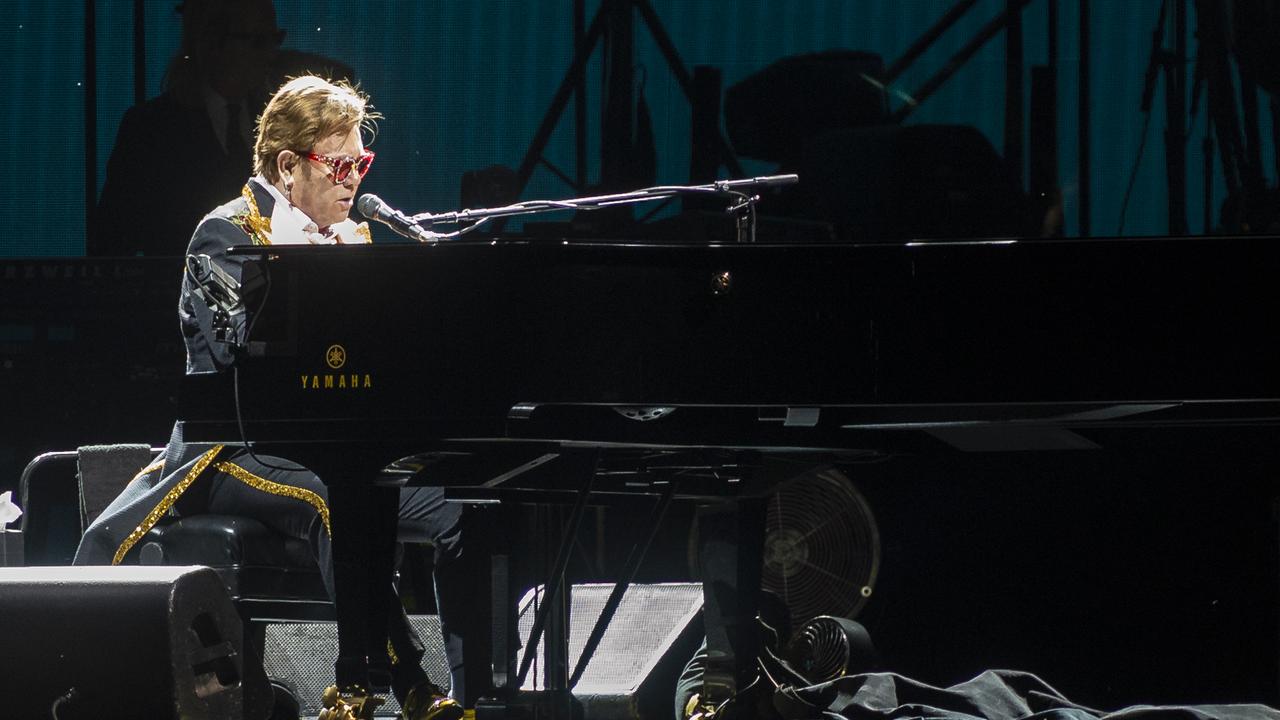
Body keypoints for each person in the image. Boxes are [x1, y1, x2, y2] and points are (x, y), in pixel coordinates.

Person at [75, 76, 472, 720]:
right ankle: (389, 684)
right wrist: (311, 271)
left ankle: (476, 687)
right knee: (331, 496)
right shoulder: (225, 233)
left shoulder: (350, 239)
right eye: (339, 164)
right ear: (289, 166)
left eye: (361, 164)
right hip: (228, 449)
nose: (353, 180)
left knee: (458, 509)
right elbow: (237, 357)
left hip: (331, 440)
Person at [89, 0, 352, 257]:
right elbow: (113, 241)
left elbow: (343, 77)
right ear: (214, 42)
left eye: (276, 39)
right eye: (258, 41)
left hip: (274, 289)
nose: (270, 54)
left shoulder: (279, 120)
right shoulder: (150, 128)